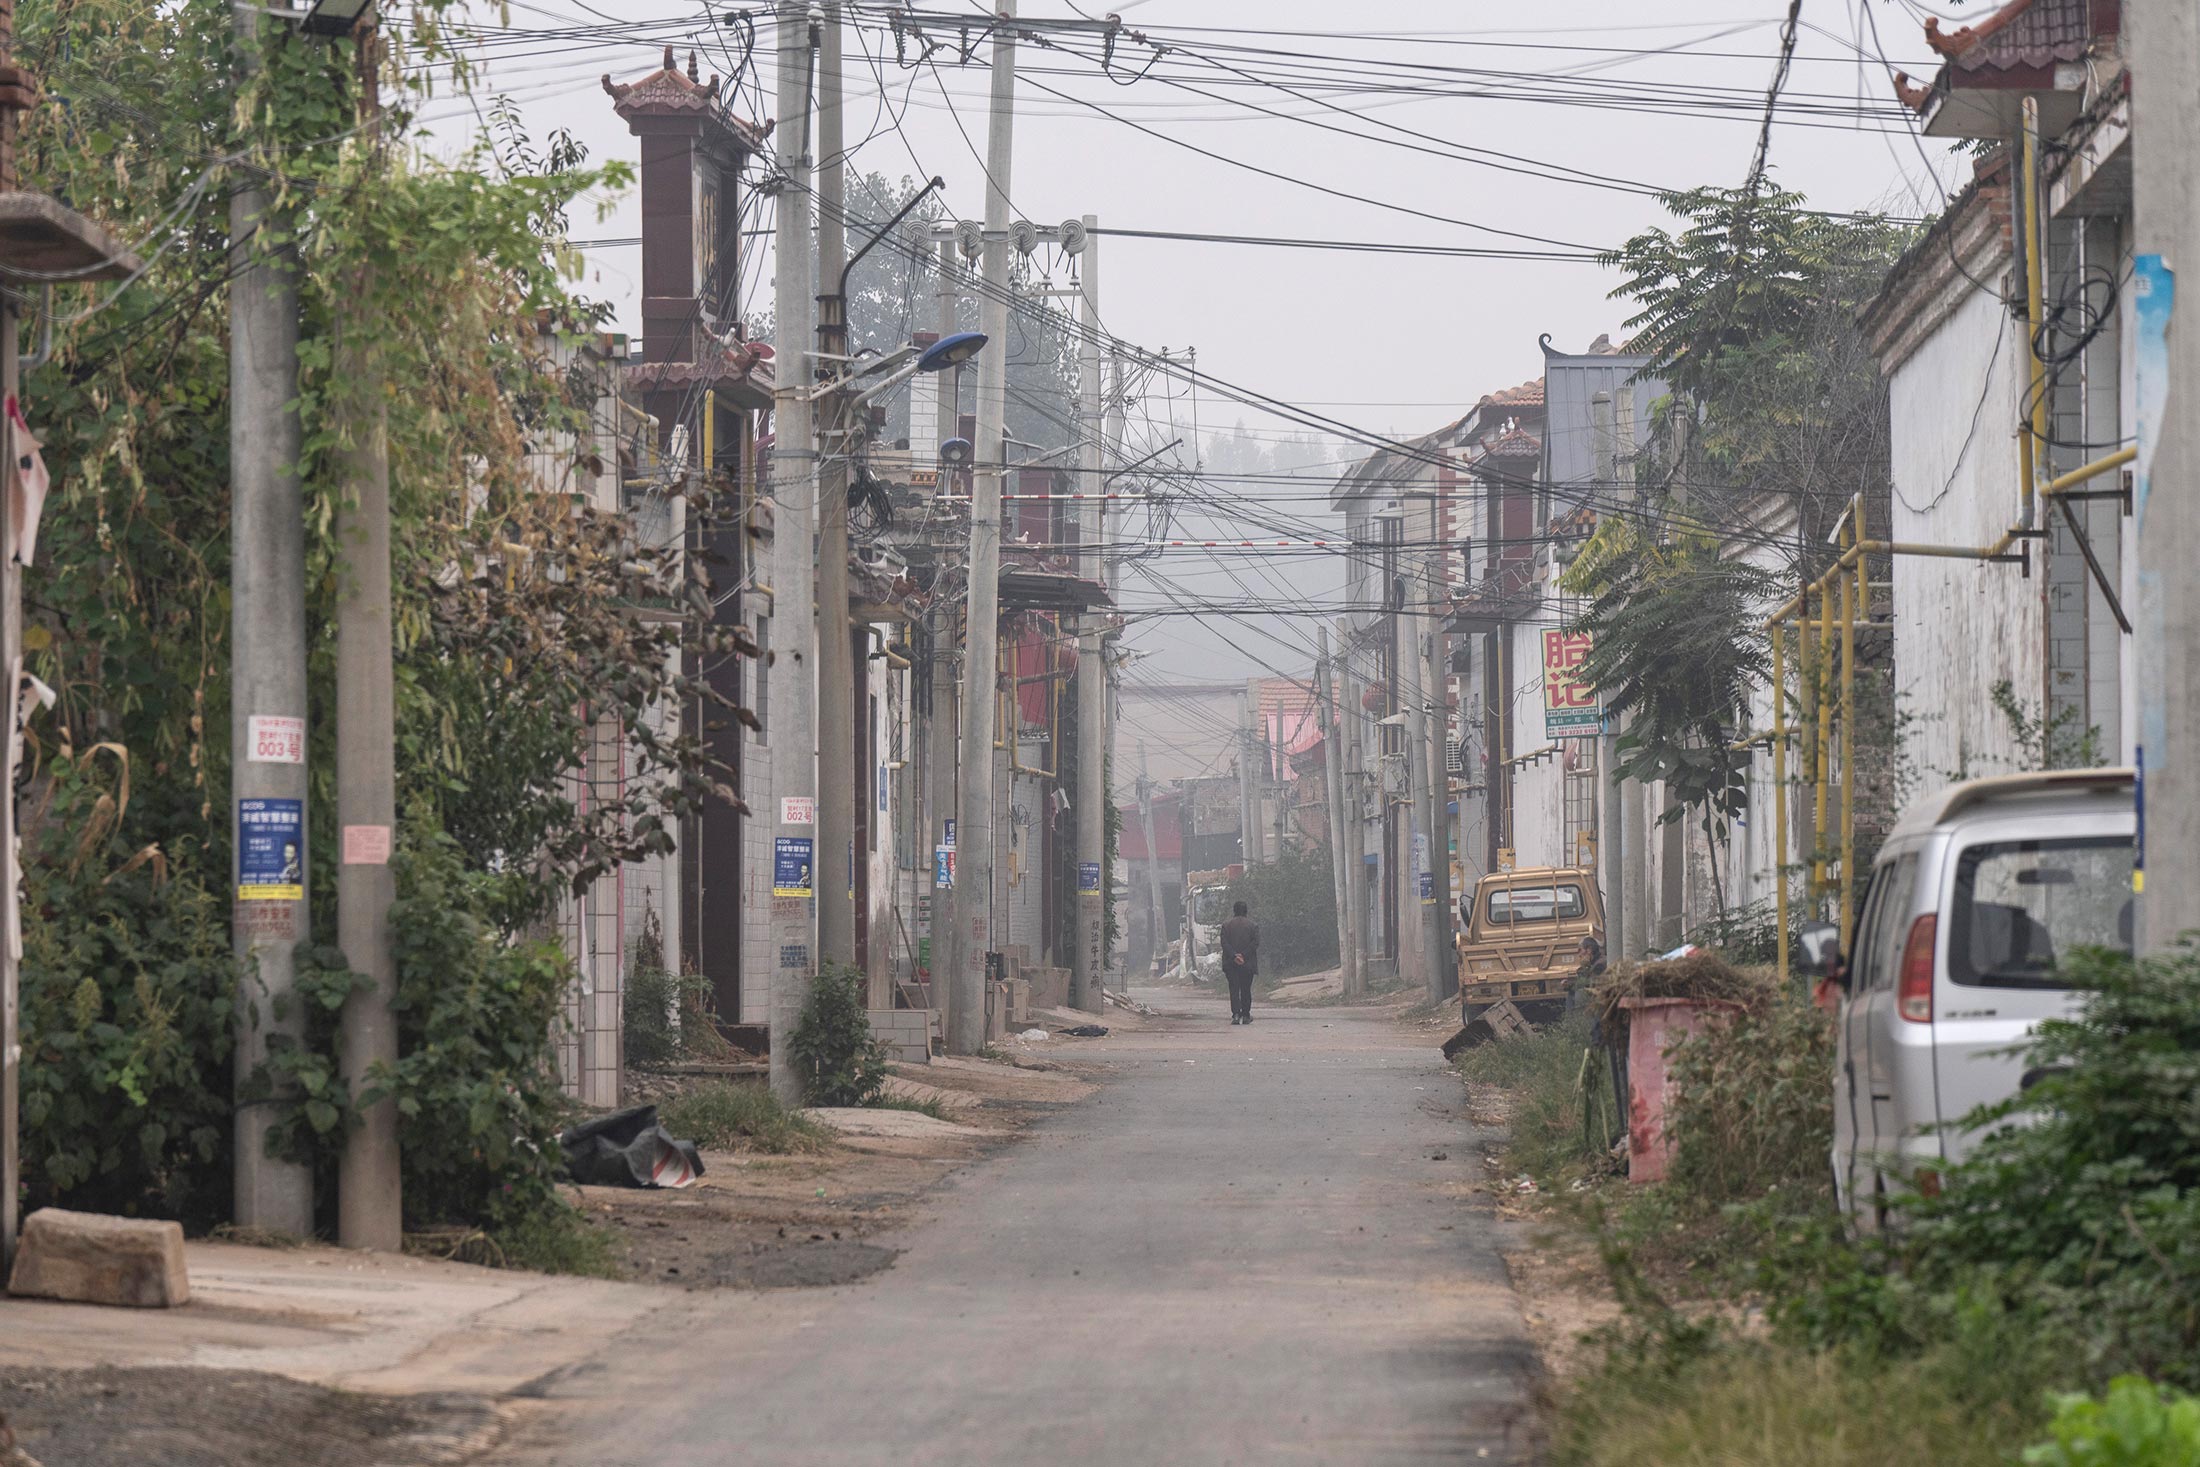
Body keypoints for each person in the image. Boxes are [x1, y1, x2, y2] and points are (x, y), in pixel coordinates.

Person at [1219, 900, 1260, 1025]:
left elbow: (1224, 943)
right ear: (1246, 911)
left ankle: (1236, 1015)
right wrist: (1243, 955)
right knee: (1246, 989)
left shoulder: (1226, 925)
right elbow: (1255, 943)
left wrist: (1234, 956)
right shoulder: (1253, 926)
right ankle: (1246, 1015)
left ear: (1234, 911)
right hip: (1247, 963)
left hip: (1231, 963)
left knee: (1234, 988)